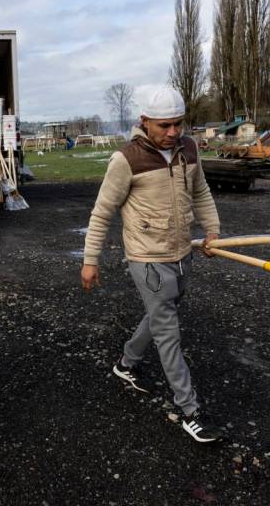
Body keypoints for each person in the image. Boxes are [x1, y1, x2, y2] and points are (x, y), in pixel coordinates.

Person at [80, 85, 222, 443]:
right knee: (168, 331)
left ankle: (126, 363)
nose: (173, 132)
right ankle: (190, 411)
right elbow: (101, 213)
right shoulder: (126, 160)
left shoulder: (188, 150)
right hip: (146, 259)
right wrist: (90, 260)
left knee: (162, 314)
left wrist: (213, 231)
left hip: (181, 254)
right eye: (164, 126)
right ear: (145, 122)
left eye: (178, 124)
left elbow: (201, 191)